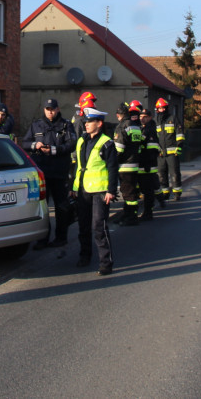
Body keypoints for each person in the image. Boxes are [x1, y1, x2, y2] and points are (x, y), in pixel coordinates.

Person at [70, 107, 118, 276]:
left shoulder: (107, 143)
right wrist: (74, 188)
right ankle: (84, 256)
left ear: (99, 123)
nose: (86, 125)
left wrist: (111, 190)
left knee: (99, 227)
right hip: (83, 190)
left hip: (100, 191)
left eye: (89, 122)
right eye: (85, 122)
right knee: (83, 226)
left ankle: (106, 263)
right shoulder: (82, 141)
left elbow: (113, 168)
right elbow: (78, 167)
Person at [24, 98, 77, 249]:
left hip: (60, 172)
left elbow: (71, 144)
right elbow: (25, 143)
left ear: (58, 109)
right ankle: (43, 239)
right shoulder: (36, 125)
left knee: (62, 207)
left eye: (52, 109)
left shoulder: (66, 125)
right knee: (43, 208)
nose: (50, 112)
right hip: (42, 173)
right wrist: (36, 145)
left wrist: (54, 150)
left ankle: (61, 237)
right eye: (47, 109)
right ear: (44, 110)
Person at [112, 101, 145, 226]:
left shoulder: (122, 126)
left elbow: (119, 148)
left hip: (125, 164)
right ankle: (127, 215)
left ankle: (131, 217)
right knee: (130, 191)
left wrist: (112, 161)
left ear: (118, 115)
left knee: (128, 193)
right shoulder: (135, 126)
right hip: (134, 162)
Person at [154, 97, 186, 202]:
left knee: (175, 174)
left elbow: (180, 134)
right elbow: (154, 137)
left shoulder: (173, 118)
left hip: (172, 153)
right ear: (157, 110)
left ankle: (177, 193)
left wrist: (179, 147)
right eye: (160, 109)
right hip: (160, 154)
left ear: (166, 108)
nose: (162, 110)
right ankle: (165, 193)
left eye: (163, 108)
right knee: (161, 175)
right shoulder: (155, 122)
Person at [138, 106, 160, 221]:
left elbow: (151, 148)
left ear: (150, 117)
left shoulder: (149, 129)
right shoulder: (144, 128)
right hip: (144, 165)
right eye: (141, 116)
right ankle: (156, 202)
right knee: (149, 189)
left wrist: (147, 162)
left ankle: (148, 212)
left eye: (145, 117)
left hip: (148, 165)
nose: (142, 118)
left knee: (148, 191)